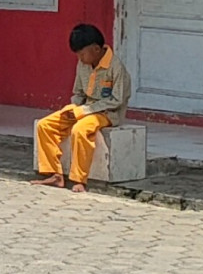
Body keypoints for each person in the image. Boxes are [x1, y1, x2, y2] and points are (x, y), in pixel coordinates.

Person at [31, 24, 133, 193]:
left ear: (96, 49)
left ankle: (79, 180)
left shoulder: (116, 68)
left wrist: (85, 111)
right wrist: (73, 108)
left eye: (82, 53)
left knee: (80, 130)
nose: (80, 58)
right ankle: (54, 174)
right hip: (84, 108)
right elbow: (78, 92)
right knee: (45, 125)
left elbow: (117, 100)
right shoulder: (82, 65)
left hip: (107, 113)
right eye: (77, 54)